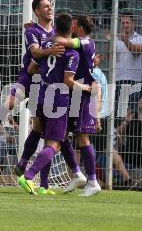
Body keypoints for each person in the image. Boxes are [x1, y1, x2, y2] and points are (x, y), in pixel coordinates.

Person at [0, 0, 64, 153]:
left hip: (46, 81)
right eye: (45, 6)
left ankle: (24, 164)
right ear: (37, 11)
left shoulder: (58, 33)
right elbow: (35, 52)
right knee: (9, 103)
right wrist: (50, 50)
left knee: (37, 127)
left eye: (50, 6)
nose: (50, 8)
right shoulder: (32, 31)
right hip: (29, 77)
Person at [18, 13, 92, 195]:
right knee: (53, 144)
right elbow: (68, 81)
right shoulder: (71, 52)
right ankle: (28, 176)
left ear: (56, 27)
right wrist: (86, 88)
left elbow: (31, 68)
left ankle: (43, 185)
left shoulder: (46, 45)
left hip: (42, 94)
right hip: (59, 99)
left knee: (45, 137)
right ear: (71, 29)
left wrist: (46, 73)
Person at [55, 15, 101, 196]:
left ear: (80, 28)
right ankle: (76, 173)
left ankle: (92, 181)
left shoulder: (84, 42)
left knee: (83, 139)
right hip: (74, 95)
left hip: (83, 96)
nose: (72, 28)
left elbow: (62, 41)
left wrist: (49, 34)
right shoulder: (86, 43)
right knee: (62, 135)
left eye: (74, 25)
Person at [107, 13, 142, 118]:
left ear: (133, 23)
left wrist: (125, 41)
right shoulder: (116, 39)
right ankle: (117, 132)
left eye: (127, 22)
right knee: (118, 112)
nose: (125, 25)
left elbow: (136, 51)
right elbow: (110, 57)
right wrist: (109, 43)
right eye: (123, 23)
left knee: (131, 111)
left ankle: (118, 132)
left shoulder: (140, 38)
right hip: (119, 79)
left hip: (134, 80)